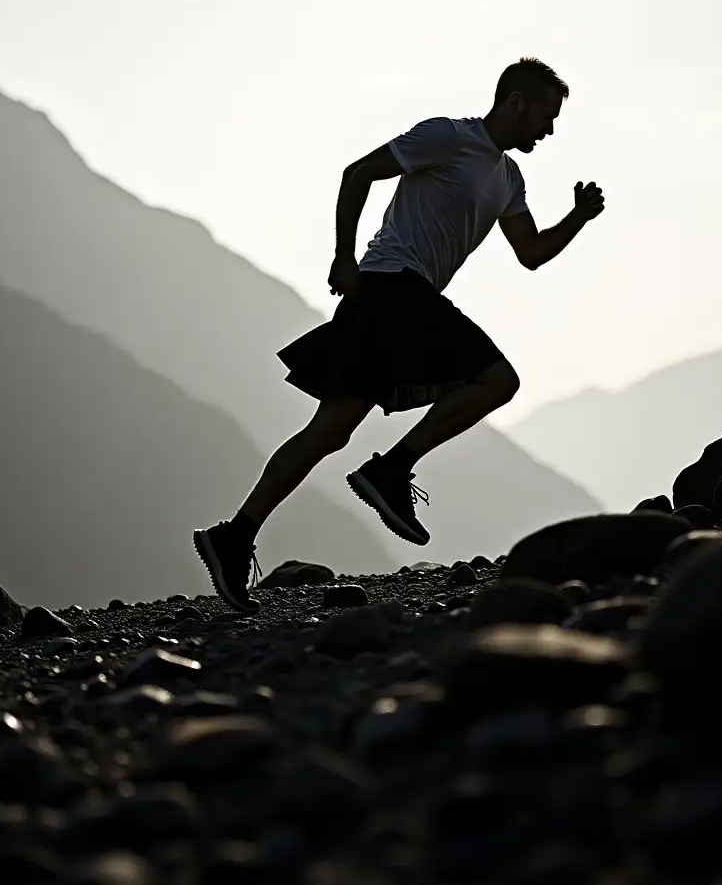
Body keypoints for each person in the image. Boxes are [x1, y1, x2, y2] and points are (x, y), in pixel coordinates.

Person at [194, 56, 606, 611]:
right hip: (392, 286)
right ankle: (390, 470)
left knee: (330, 431)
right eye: (545, 116)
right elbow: (358, 173)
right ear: (515, 101)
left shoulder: (508, 179)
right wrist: (344, 257)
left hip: (399, 301)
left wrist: (576, 218)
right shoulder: (448, 138)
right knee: (496, 380)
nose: (549, 130)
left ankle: (234, 536)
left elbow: (529, 253)